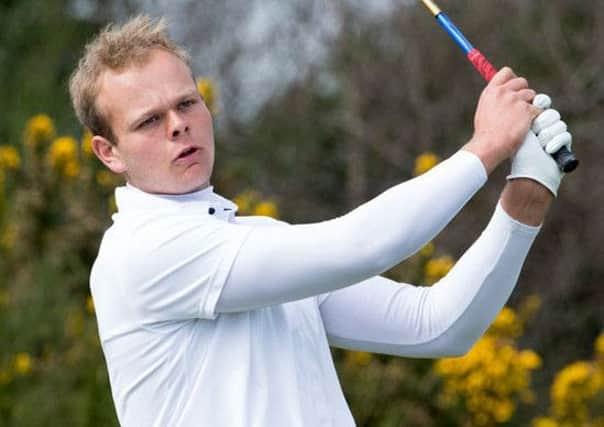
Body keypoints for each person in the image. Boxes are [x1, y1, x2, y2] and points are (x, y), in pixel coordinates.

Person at [69, 15, 573, 427]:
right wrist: (486, 146)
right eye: (149, 120)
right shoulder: (140, 252)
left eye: (186, 103)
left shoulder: (257, 241)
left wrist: (527, 192)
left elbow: (438, 326)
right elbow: (360, 246)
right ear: (108, 152)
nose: (178, 124)